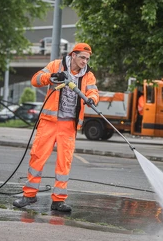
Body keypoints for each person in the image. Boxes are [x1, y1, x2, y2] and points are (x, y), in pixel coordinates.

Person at [13, 43, 99, 212]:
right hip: (49, 122)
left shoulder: (88, 75)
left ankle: (58, 201)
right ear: (73, 55)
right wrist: (52, 76)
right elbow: (35, 80)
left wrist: (92, 99)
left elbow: (93, 91)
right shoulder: (55, 65)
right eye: (82, 57)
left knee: (64, 163)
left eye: (87, 59)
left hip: (69, 124)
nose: (85, 61)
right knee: (37, 157)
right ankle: (29, 196)